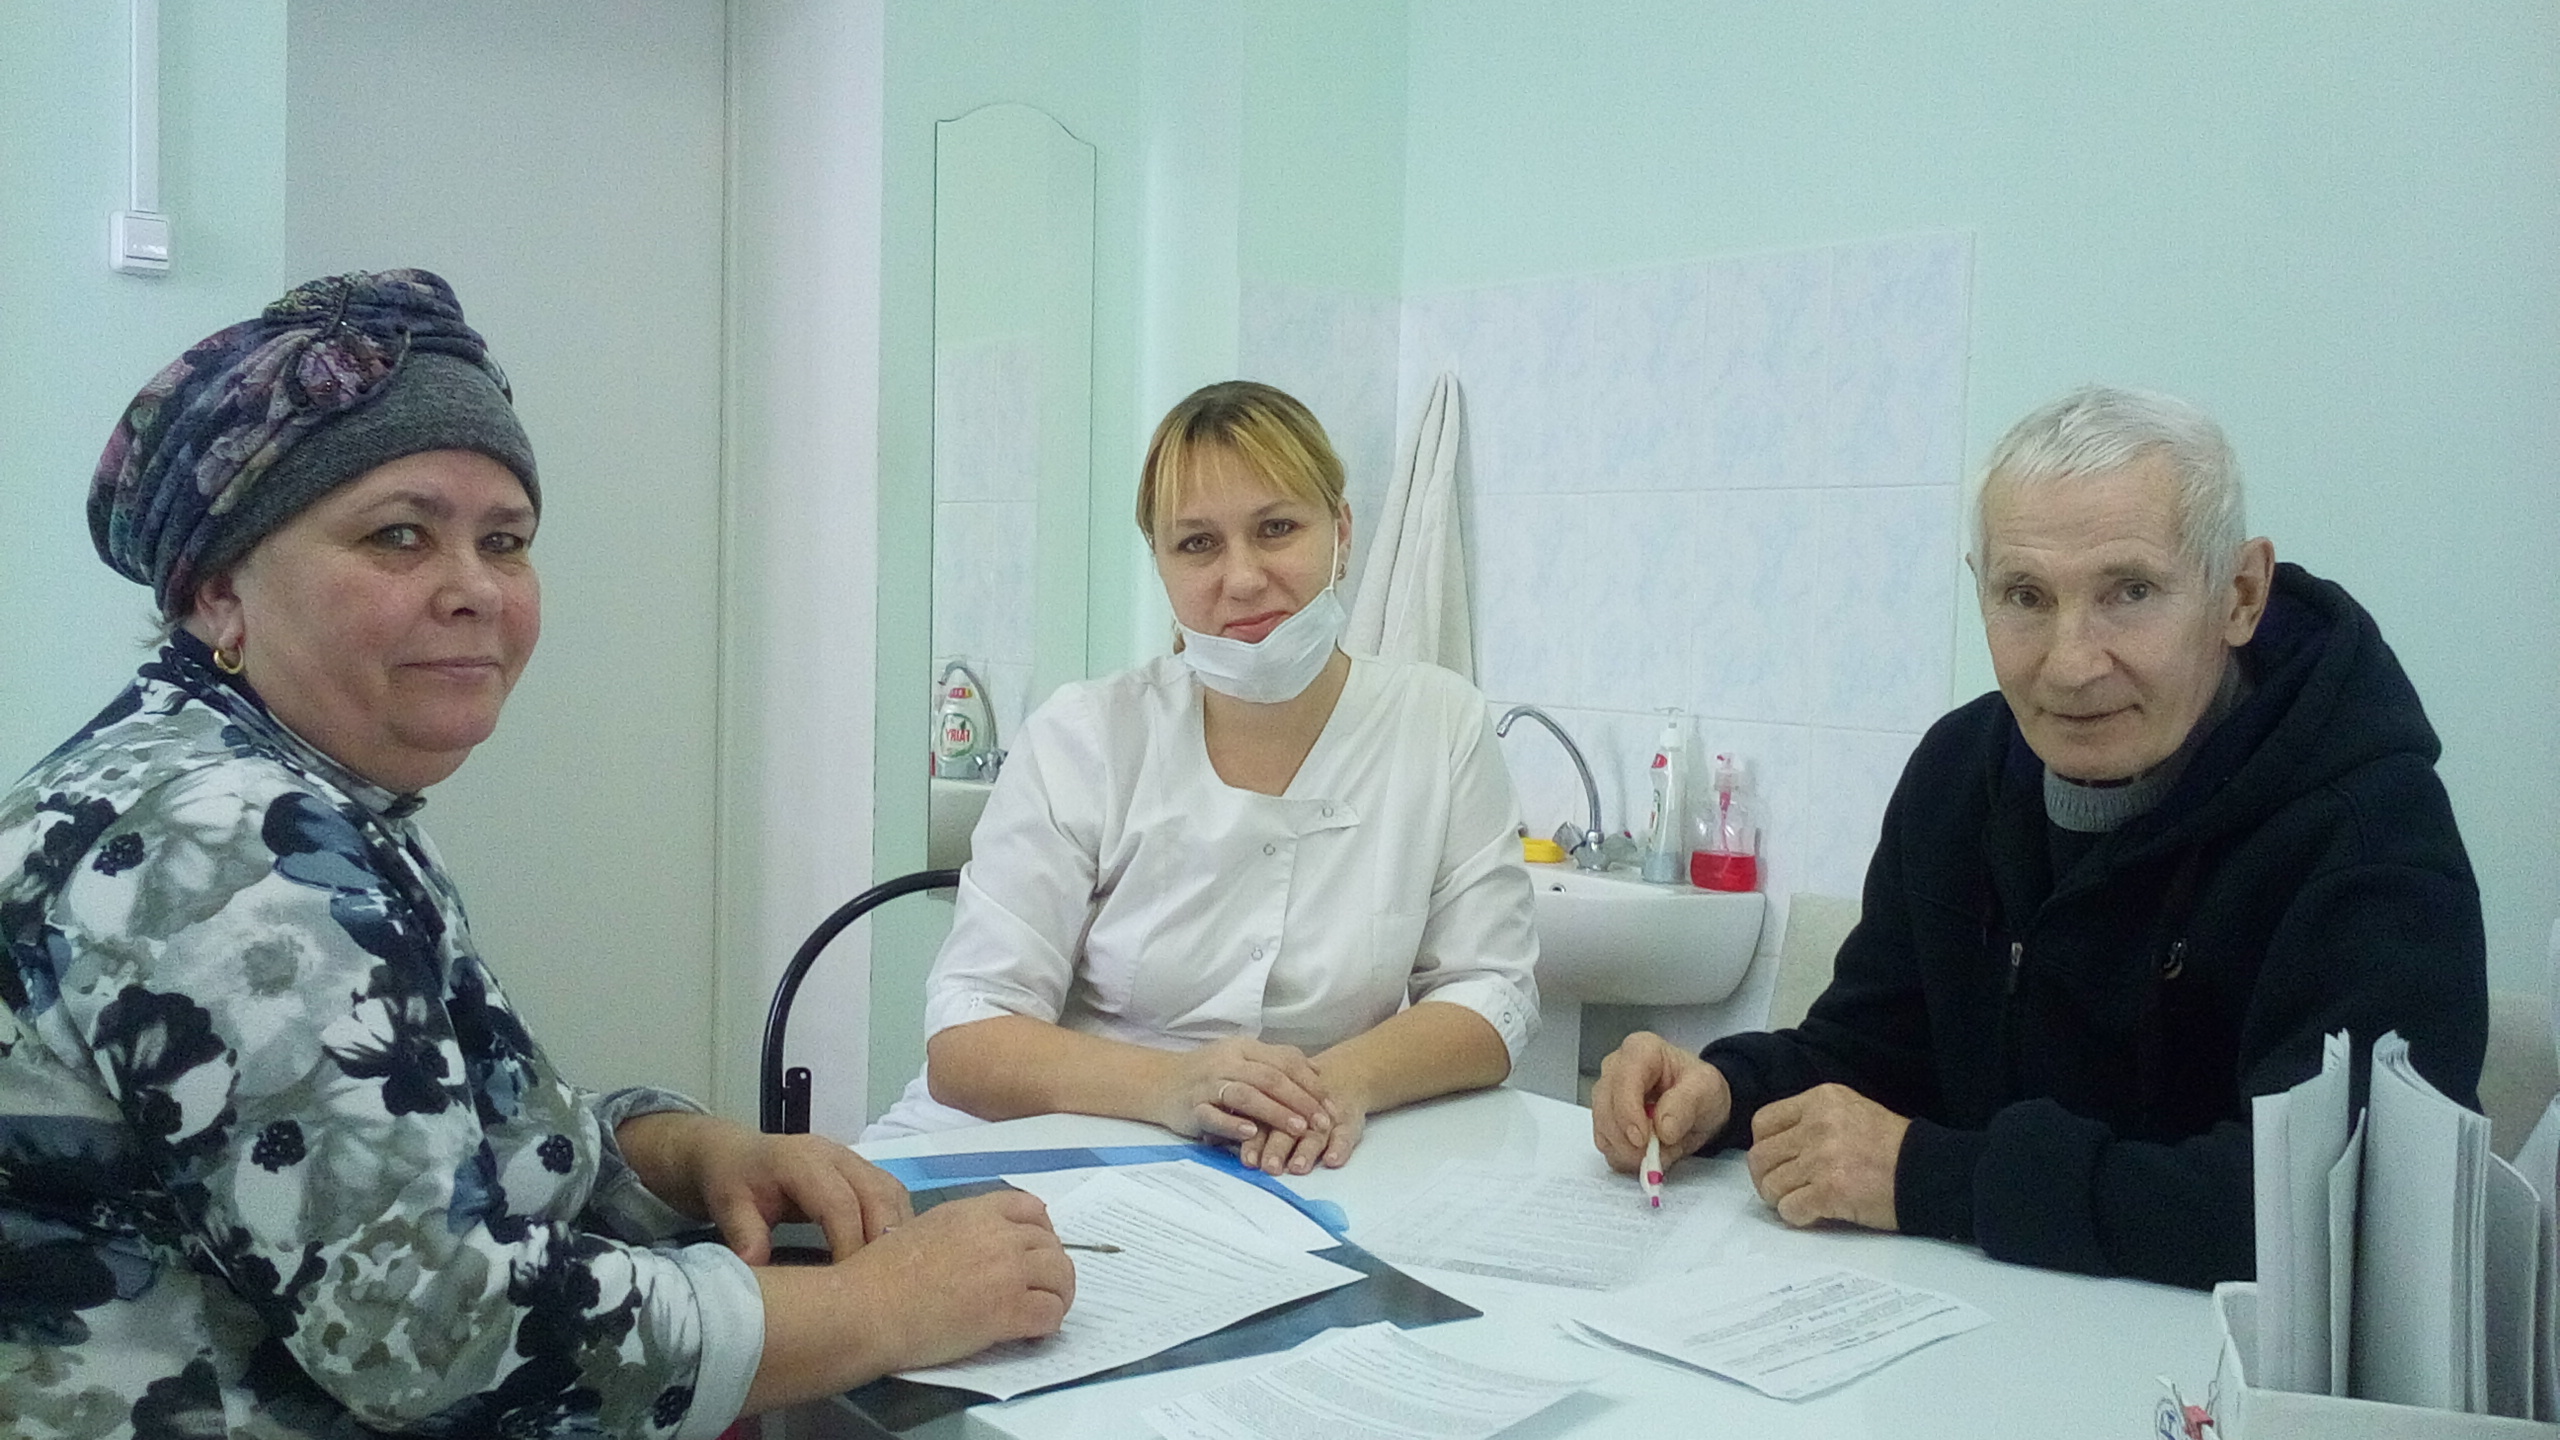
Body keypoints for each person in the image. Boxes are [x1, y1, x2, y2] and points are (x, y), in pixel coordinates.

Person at [0, 271, 1073, 1438]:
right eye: (399, 535)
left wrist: (683, 1153)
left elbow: (430, 1148)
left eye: (504, 542)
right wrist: (888, 1307)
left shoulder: (280, 791)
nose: (473, 589)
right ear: (218, 592)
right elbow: (437, 1336)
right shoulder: (225, 846)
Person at [1592, 384, 2486, 1289]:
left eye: (2130, 592)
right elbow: (1871, 1053)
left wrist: (1933, 1178)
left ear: (2240, 595)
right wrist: (1728, 1090)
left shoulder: (2368, 829)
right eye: (2025, 595)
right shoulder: (1957, 774)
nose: (2070, 663)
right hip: (1978, 1323)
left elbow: (2344, 1206)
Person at [866, 381, 1539, 1176]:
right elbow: (968, 1036)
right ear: (1160, 563)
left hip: (1295, 1159)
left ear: (1342, 532)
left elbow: (1490, 992)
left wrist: (1332, 1087)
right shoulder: (1086, 736)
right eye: (1197, 544)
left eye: (1277, 528)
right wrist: (1176, 1086)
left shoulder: (1439, 723)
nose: (1243, 577)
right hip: (1039, 1146)